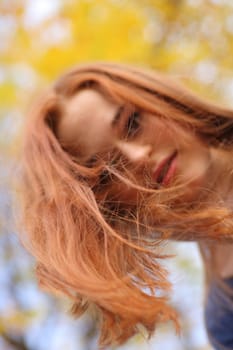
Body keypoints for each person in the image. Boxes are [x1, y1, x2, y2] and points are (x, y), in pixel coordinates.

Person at [20, 62, 233, 349]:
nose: (137, 156)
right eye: (107, 174)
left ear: (159, 98)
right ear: (109, 213)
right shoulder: (225, 320)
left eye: (132, 123)